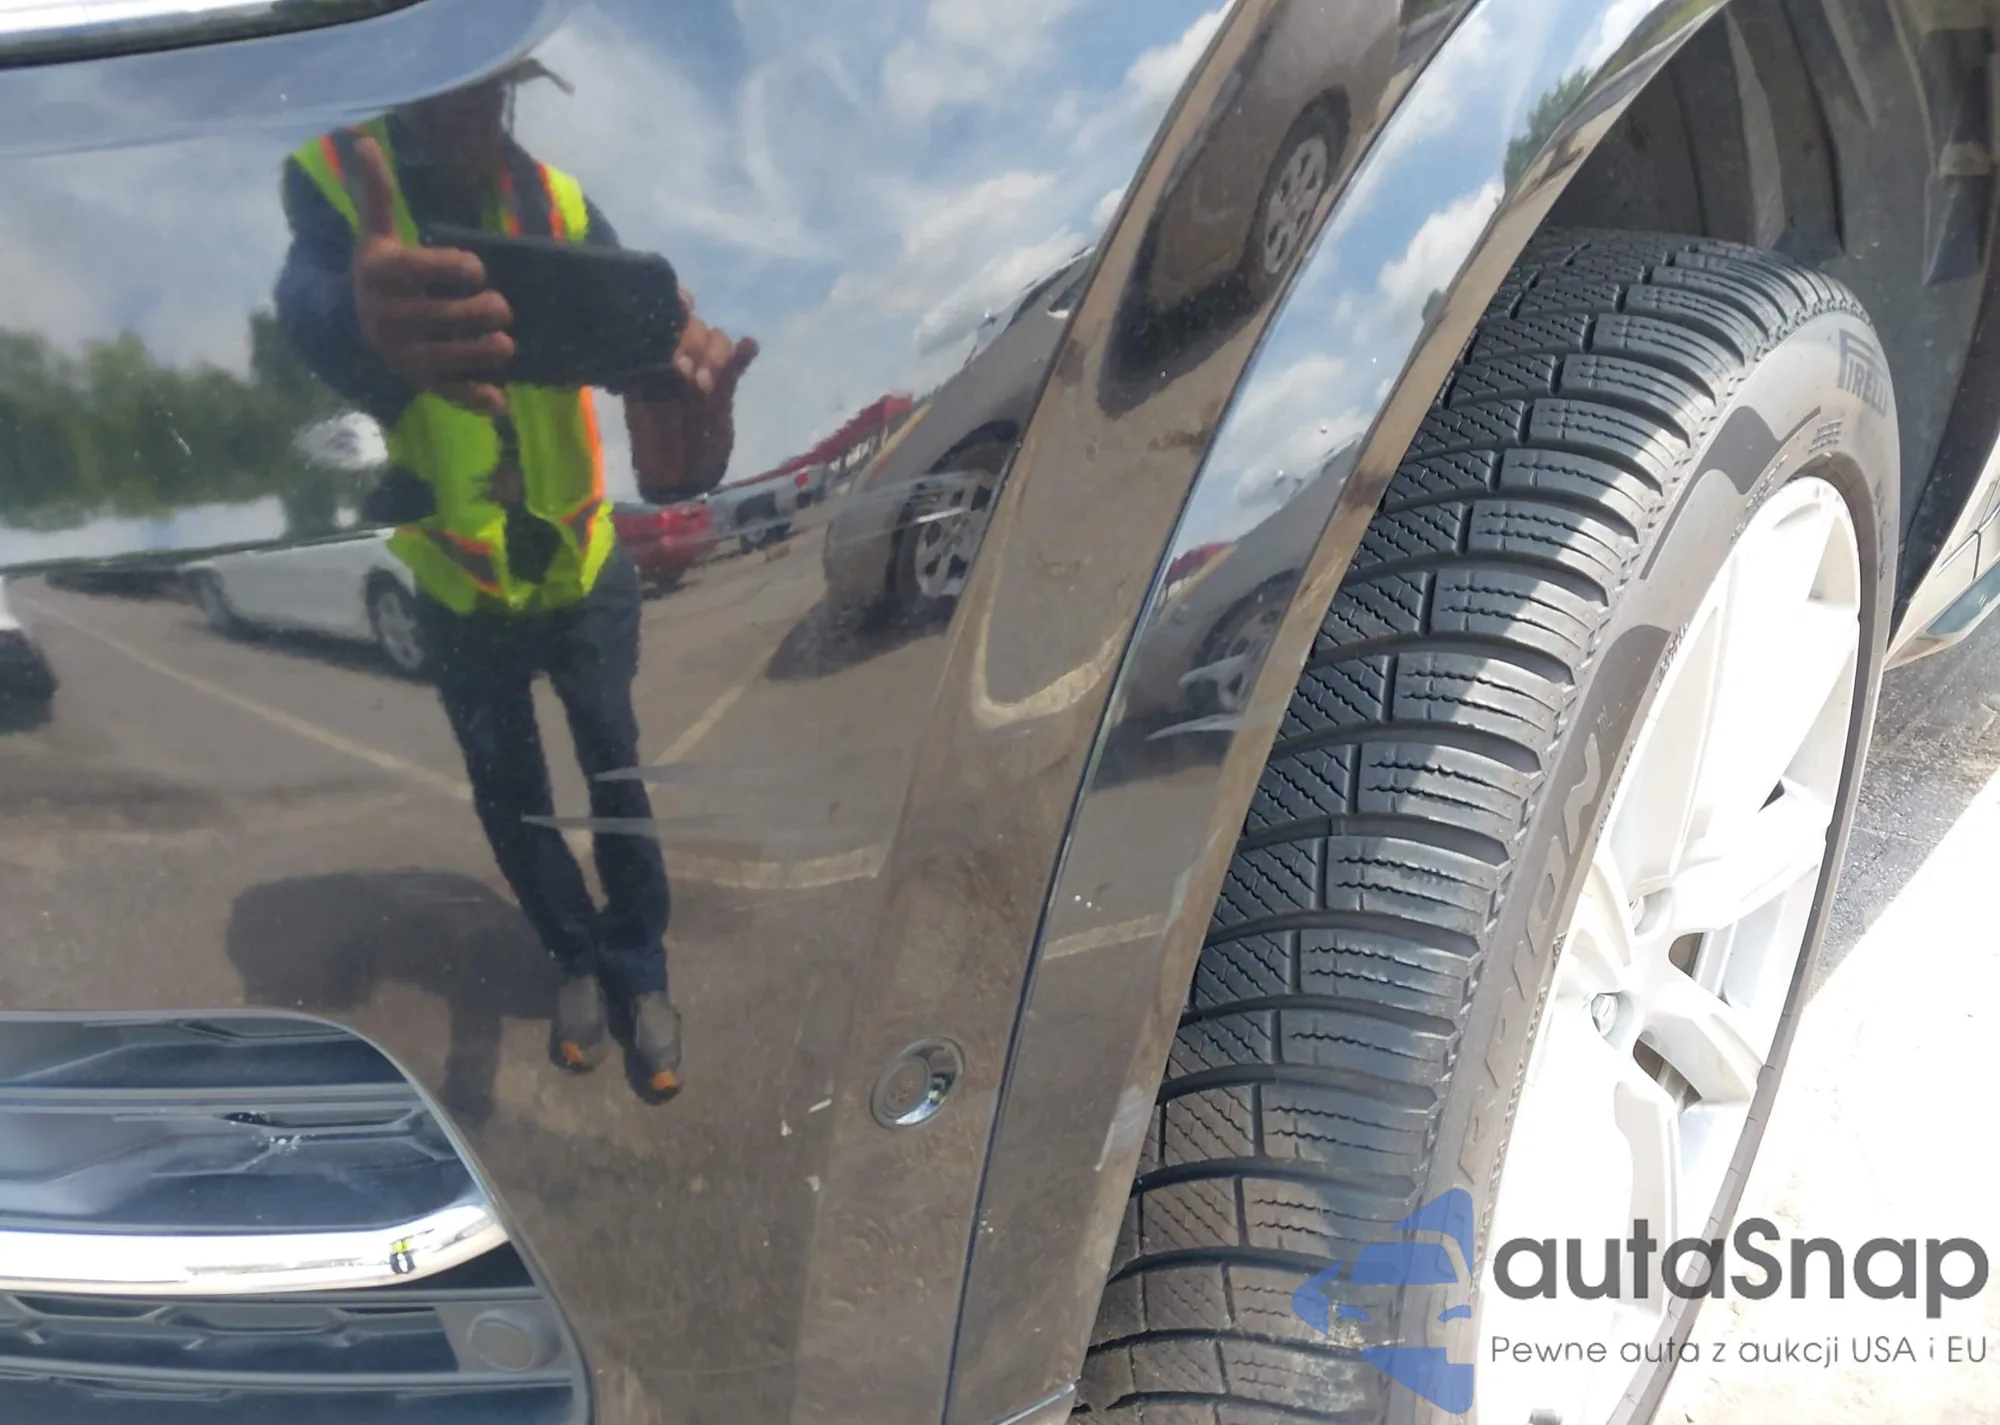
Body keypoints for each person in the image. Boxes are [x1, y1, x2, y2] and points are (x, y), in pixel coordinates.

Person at [274, 68, 756, 1097]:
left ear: (511, 71)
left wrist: (683, 399)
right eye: (432, 69)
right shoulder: (340, 178)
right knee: (513, 799)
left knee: (616, 777)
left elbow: (651, 346)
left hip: (581, 563)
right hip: (459, 586)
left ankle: (640, 968)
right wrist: (357, 315)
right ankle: (574, 957)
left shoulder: (562, 206)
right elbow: (301, 302)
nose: (455, 96)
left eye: (481, 71)